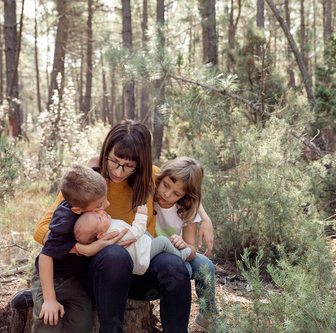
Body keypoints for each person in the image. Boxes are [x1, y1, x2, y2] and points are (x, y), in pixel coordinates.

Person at [34, 119, 215, 332]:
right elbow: (42, 229)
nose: (119, 171)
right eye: (114, 161)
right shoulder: (90, 174)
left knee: (174, 264)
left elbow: (183, 187)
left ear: (142, 163)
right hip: (102, 273)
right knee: (115, 255)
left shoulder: (150, 176)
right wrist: (84, 248)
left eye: (129, 166)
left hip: (141, 266)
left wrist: (204, 217)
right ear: (106, 151)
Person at [31, 165, 127, 333]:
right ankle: (40, 299)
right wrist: (49, 298)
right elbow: (46, 255)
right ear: (77, 210)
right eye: (99, 204)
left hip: (74, 278)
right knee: (48, 322)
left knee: (82, 325)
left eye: (105, 199)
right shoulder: (64, 220)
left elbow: (92, 168)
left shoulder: (87, 201)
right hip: (50, 278)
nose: (107, 204)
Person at [154, 157, 218, 330]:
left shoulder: (185, 210)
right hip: (155, 257)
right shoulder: (149, 195)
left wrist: (182, 244)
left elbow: (191, 250)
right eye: (166, 185)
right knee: (186, 270)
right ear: (161, 178)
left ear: (185, 195)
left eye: (176, 193)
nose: (167, 194)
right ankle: (177, 321)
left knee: (206, 265)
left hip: (177, 254)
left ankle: (208, 315)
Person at [74, 204, 192, 275]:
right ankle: (179, 256)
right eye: (99, 219)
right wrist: (141, 215)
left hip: (141, 246)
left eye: (96, 213)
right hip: (142, 257)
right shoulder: (114, 233)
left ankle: (170, 251)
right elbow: (136, 232)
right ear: (100, 235)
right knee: (162, 241)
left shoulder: (108, 227)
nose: (101, 213)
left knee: (148, 236)